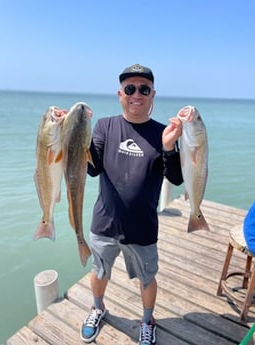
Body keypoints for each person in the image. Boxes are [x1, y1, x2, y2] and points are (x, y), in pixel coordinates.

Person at [80, 64, 183, 345]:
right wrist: (75, 132)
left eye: (144, 89)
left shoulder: (164, 133)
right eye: (130, 88)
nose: (136, 94)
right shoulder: (104, 126)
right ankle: (97, 307)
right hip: (104, 223)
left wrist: (169, 148)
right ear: (120, 94)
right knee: (99, 271)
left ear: (152, 95)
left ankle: (148, 319)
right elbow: (92, 169)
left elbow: (177, 177)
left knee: (147, 278)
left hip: (143, 228)